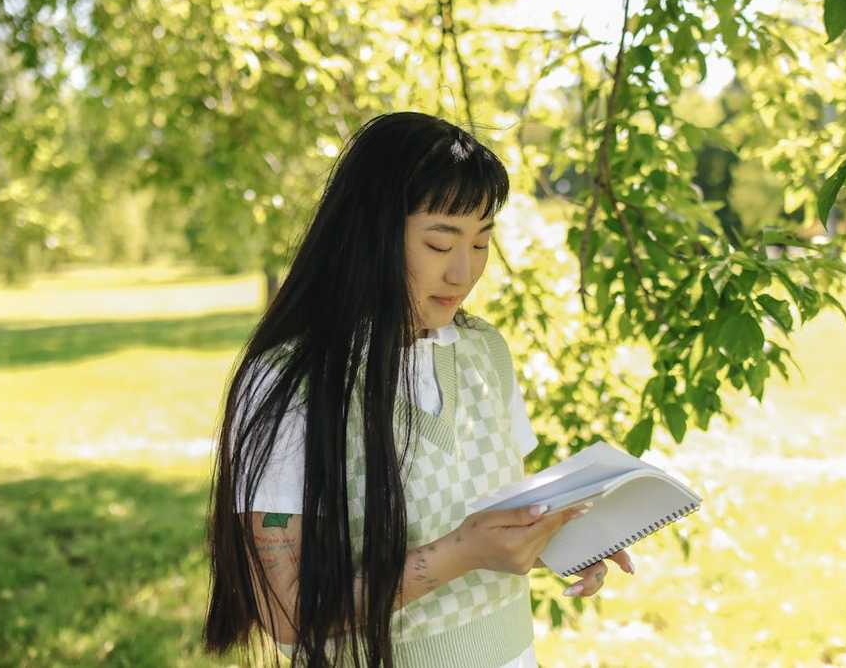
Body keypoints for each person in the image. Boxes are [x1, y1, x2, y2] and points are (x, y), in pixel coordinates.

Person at [202, 111, 632, 668]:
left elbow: (500, 509)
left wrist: (566, 534)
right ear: (370, 237)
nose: (464, 272)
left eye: (481, 243)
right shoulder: (290, 384)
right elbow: (287, 615)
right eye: (439, 243)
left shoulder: (485, 352)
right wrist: (458, 554)